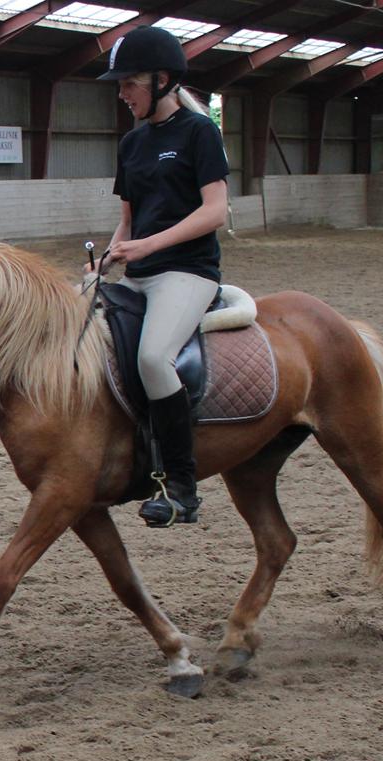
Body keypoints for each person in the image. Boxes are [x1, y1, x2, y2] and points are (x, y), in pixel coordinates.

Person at [93, 26, 230, 527]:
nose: (123, 93)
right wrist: (107, 259)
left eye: (130, 83)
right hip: (139, 273)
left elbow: (215, 212)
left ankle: (181, 487)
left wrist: (149, 245)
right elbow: (129, 222)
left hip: (188, 273)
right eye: (121, 84)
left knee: (153, 358)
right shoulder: (131, 144)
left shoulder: (199, 132)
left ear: (162, 80)